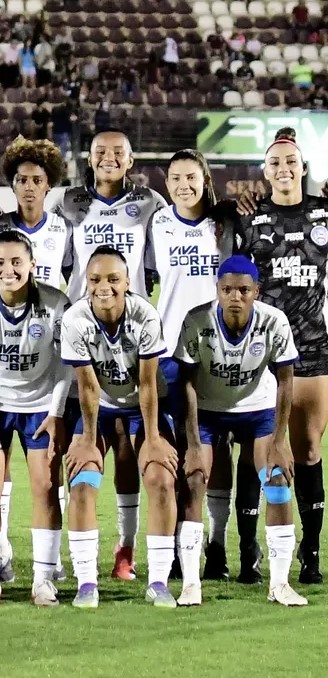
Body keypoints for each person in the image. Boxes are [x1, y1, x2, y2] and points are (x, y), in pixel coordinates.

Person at [47, 128, 168, 581]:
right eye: (101, 152)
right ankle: (58, 556)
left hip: (131, 333)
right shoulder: (69, 204)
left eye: (119, 152)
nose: (110, 158)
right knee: (70, 444)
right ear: (90, 158)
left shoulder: (150, 205)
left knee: (125, 450)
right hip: (81, 335)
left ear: (131, 159)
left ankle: (125, 548)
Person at [174, 255, 306, 606]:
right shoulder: (196, 321)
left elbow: (286, 380)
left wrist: (280, 440)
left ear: (256, 292)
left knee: (278, 481)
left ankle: (279, 584)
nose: (235, 296)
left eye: (243, 290)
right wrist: (190, 443)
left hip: (257, 410)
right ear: (217, 289)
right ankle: (190, 583)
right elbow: (185, 383)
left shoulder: (274, 321)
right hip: (207, 410)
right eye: (227, 289)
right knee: (194, 480)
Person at [0, 231, 72, 606]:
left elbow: (64, 365)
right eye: (0, 263)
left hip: (40, 405)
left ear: (32, 266)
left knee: (45, 487)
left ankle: (43, 579)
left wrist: (55, 414)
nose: (8, 270)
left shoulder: (56, 304)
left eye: (16, 262)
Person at [60, 246, 178, 608]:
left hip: (143, 407)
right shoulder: (75, 318)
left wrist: (154, 437)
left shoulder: (145, 315)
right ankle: (86, 584)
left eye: (113, 279)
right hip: (98, 407)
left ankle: (158, 580)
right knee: (82, 481)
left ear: (128, 282)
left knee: (160, 479)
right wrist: (88, 441)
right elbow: (87, 387)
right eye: (95, 279)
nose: (103, 287)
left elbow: (147, 383)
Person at [235, 127, 328, 584]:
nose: (284, 169)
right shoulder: (248, 219)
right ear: (264, 171)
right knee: (258, 449)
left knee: (308, 448)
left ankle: (311, 554)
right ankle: (248, 552)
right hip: (262, 352)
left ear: (304, 168)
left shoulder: (324, 213)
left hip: (313, 346)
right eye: (275, 163)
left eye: (291, 162)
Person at [149, 149, 242, 582]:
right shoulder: (158, 224)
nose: (182, 184)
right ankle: (172, 551)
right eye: (174, 177)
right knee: (173, 454)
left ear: (205, 178)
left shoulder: (226, 224)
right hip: (168, 353)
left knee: (214, 451)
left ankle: (217, 544)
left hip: (216, 353)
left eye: (190, 176)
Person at [0, 137, 70, 289]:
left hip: (50, 313)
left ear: (49, 184)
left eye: (37, 180)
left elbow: (74, 282)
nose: (29, 187)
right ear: (12, 184)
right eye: (22, 180)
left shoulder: (63, 228)